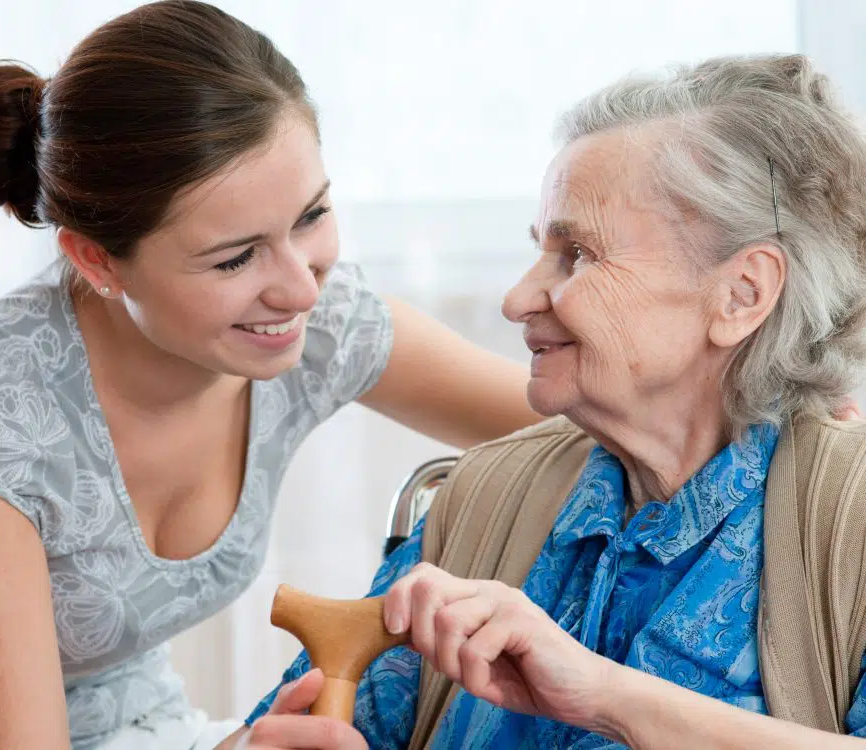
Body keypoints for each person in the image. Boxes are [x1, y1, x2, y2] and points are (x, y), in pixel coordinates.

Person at [0, 2, 546, 748]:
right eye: (235, 258)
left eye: (311, 215)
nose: (301, 290)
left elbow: (586, 423)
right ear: (96, 260)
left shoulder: (319, 323)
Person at [233, 53, 866, 749]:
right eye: (541, 250)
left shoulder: (848, 520)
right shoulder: (486, 496)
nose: (516, 300)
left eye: (578, 255)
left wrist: (604, 696)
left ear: (742, 293)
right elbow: (301, 728)